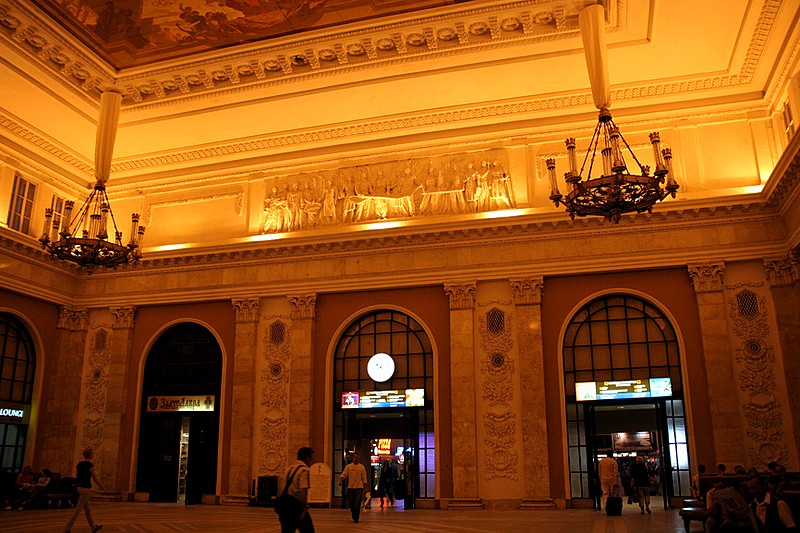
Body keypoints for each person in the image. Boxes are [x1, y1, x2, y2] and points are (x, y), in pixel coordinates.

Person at [62, 448, 104, 533]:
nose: (93, 455)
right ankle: (67, 528)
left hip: (79, 488)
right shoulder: (89, 465)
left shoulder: (79, 464)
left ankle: (93, 527)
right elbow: (95, 478)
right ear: (89, 455)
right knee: (77, 510)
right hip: (85, 489)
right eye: (92, 453)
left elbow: (78, 476)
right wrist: (102, 486)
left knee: (88, 510)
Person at [278, 446, 315, 533]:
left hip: (285, 506)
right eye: (311, 459)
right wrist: (303, 510)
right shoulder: (304, 470)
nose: (311, 462)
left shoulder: (288, 469)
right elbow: (303, 491)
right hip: (295, 507)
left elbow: (280, 487)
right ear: (307, 458)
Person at [340, 452, 368, 523]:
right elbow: (344, 474)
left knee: (357, 503)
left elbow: (364, 478)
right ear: (353, 458)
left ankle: (356, 518)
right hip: (351, 487)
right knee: (351, 503)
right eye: (355, 457)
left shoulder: (361, 467)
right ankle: (353, 513)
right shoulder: (349, 467)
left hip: (359, 487)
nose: (356, 459)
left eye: (357, 458)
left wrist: (366, 488)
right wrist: (341, 480)